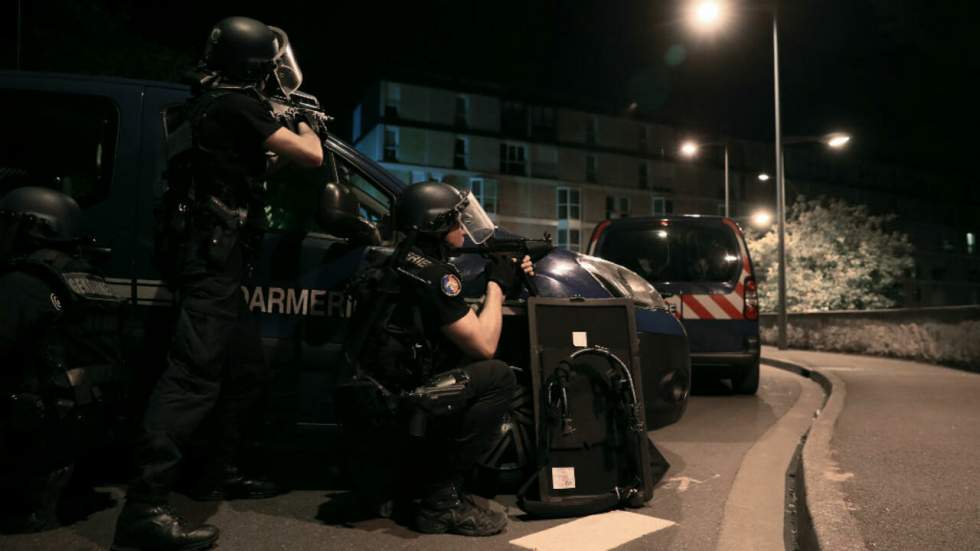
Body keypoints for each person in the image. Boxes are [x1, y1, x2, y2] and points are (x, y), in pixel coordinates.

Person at [112, 16, 323, 551]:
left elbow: (242, 174)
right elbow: (311, 156)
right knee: (190, 380)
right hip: (212, 268)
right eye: (271, 63)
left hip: (215, 263)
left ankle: (215, 472)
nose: (278, 73)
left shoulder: (210, 103)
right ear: (253, 63)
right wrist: (307, 125)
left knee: (242, 370)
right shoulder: (236, 103)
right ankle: (145, 508)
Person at [349, 181, 532, 537]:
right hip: (398, 403)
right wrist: (498, 284)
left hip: (372, 397)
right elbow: (484, 345)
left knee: (457, 366)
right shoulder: (436, 275)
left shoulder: (397, 259)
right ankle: (440, 502)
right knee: (497, 377)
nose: (462, 228)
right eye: (454, 222)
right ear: (435, 225)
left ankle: (404, 484)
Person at [0, 187, 123, 533]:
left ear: (31, 228)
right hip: (87, 423)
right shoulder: (91, 279)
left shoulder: (26, 282)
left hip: (43, 423)